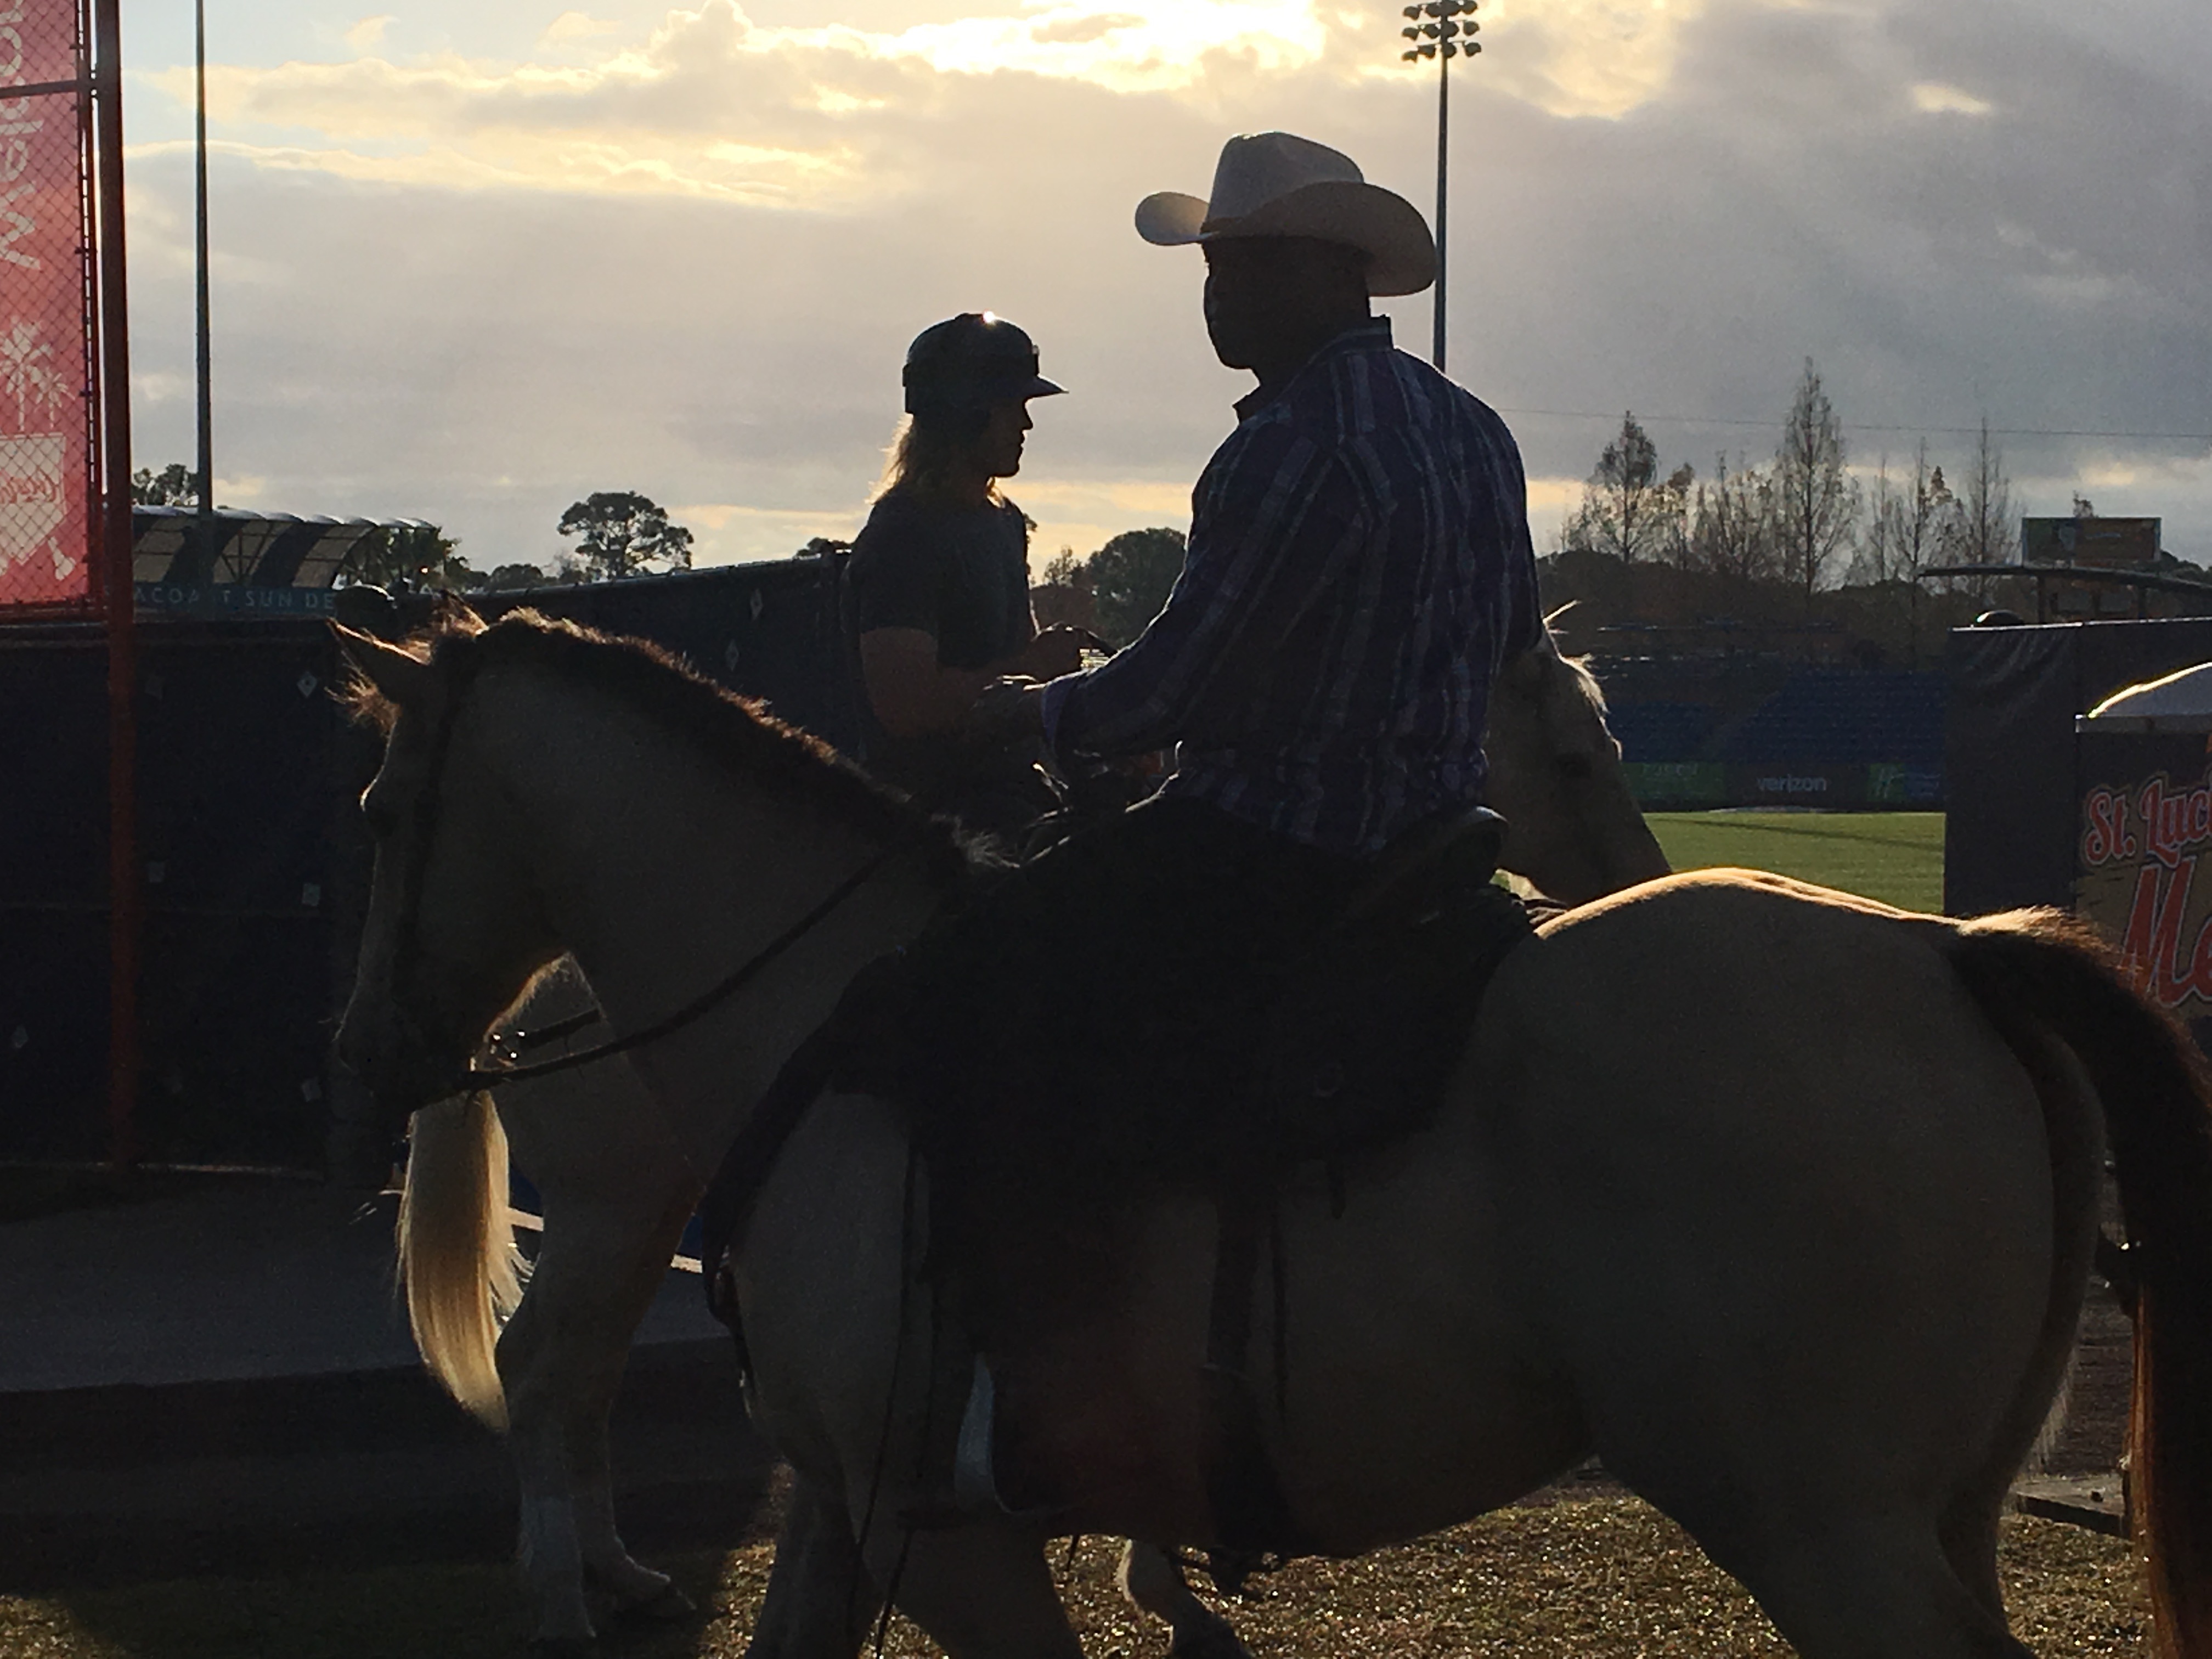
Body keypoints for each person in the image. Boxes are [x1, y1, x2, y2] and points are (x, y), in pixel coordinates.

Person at [835, 128, 1546, 1220]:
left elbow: (1171, 692)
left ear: (1335, 272)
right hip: (1444, 845)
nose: (1218, 294)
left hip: (1273, 850)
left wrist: (1031, 715)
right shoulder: (1481, 432)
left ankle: (1024, 1311)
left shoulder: (1287, 447)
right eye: (1214, 266)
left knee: (967, 983)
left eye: (1250, 265)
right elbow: (1508, 644)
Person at [845, 312, 1091, 844]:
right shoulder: (904, 536)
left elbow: (1023, 662)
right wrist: (1031, 667)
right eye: (1010, 407)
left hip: (1015, 790)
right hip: (942, 818)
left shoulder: (1003, 522)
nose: (1025, 426)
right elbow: (906, 708)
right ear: (961, 413)